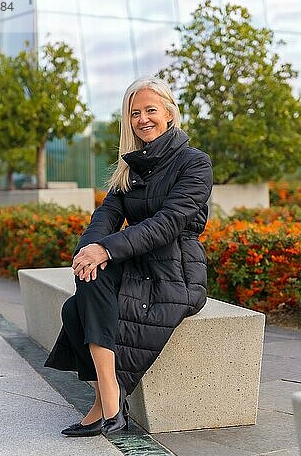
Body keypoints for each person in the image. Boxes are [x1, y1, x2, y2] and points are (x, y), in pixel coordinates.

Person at [44, 76, 213, 437]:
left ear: (169, 113)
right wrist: (88, 250)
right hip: (137, 265)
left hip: (175, 272)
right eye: (134, 113)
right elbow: (105, 216)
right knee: (85, 283)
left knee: (79, 305)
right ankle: (109, 397)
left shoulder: (194, 163)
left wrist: (106, 249)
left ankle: (106, 399)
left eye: (151, 110)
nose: (142, 119)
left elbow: (167, 225)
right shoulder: (131, 167)